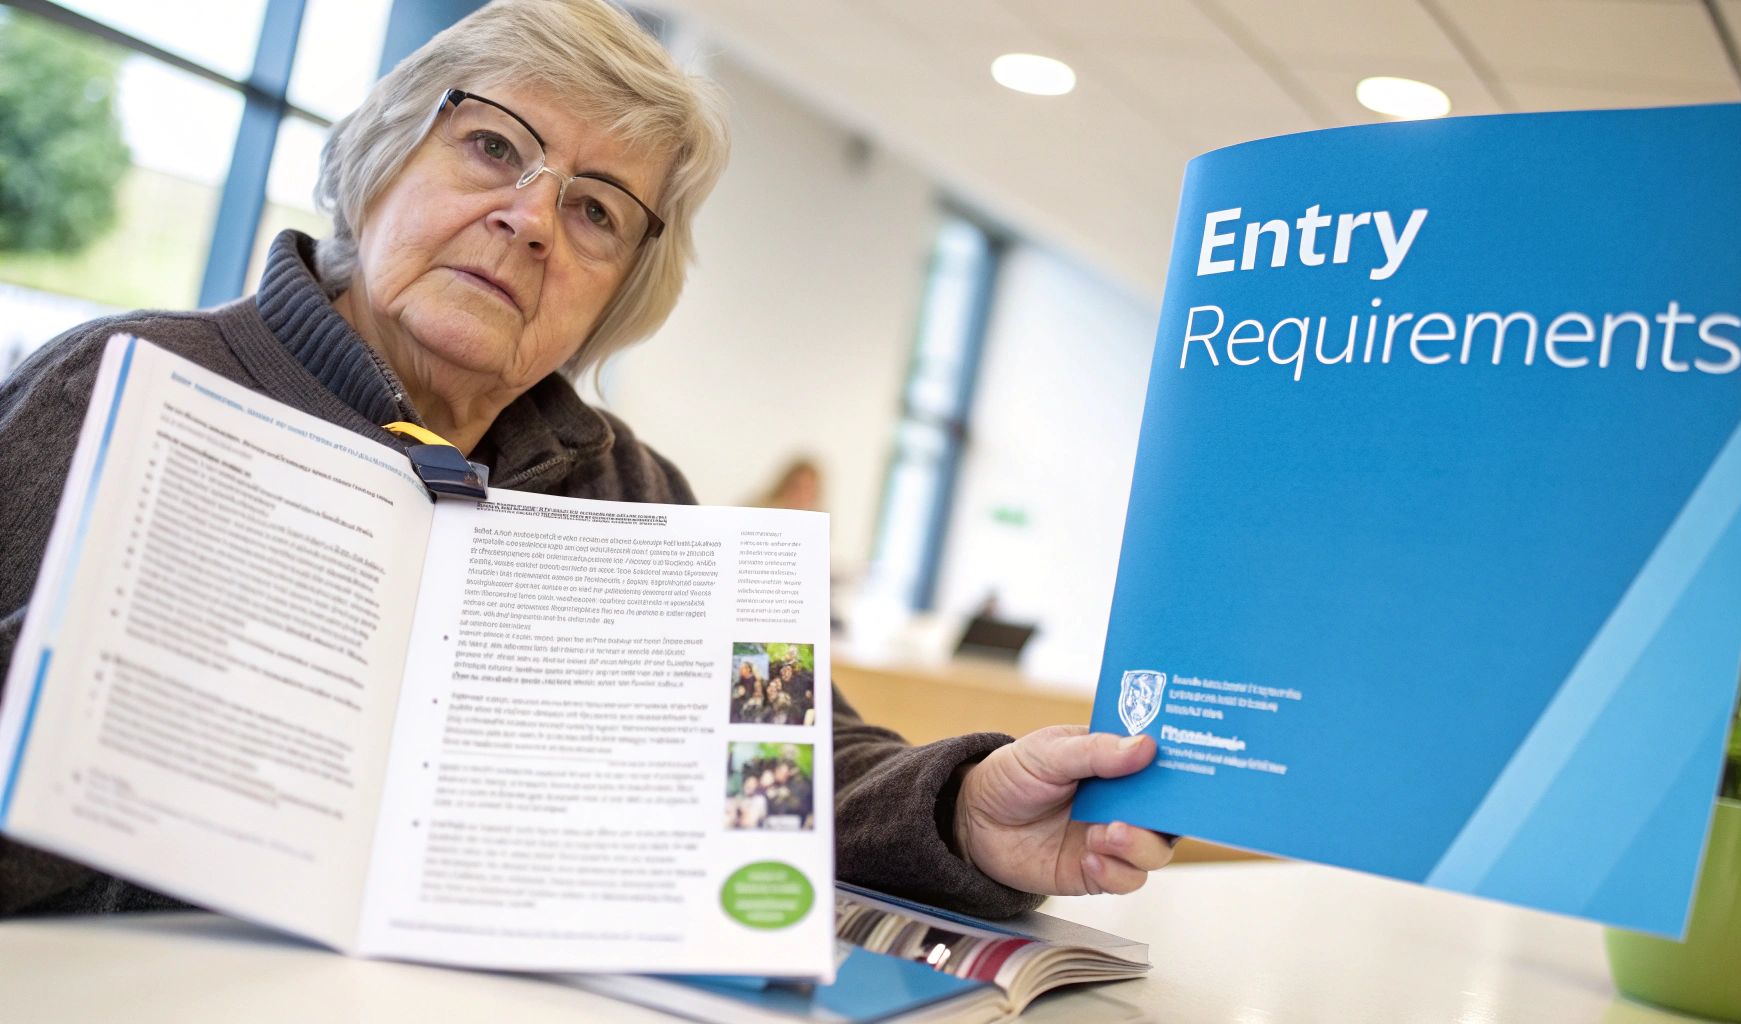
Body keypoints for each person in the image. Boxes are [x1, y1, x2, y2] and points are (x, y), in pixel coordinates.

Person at [0, 0, 1171, 920]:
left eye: (599, 211)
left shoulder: (635, 493)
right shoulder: (125, 384)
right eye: (490, 146)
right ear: (379, 159)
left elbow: (782, 754)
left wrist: (967, 808)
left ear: (620, 293)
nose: (531, 218)